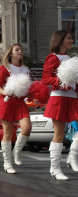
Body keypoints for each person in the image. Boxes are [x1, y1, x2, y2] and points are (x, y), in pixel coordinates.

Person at [42, 30, 78, 180]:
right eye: (69, 38)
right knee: (59, 134)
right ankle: (55, 169)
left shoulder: (70, 58)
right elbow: (45, 79)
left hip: (73, 98)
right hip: (59, 98)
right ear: (60, 40)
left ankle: (72, 156)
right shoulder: (53, 58)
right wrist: (60, 80)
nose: (72, 40)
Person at [0, 44, 31, 174]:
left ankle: (17, 150)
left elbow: (27, 87)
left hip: (20, 101)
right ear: (11, 54)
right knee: (8, 133)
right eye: (17, 50)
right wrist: (6, 93)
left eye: (21, 50)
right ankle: (7, 163)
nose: (20, 51)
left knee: (27, 128)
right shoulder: (5, 68)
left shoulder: (26, 69)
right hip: (8, 101)